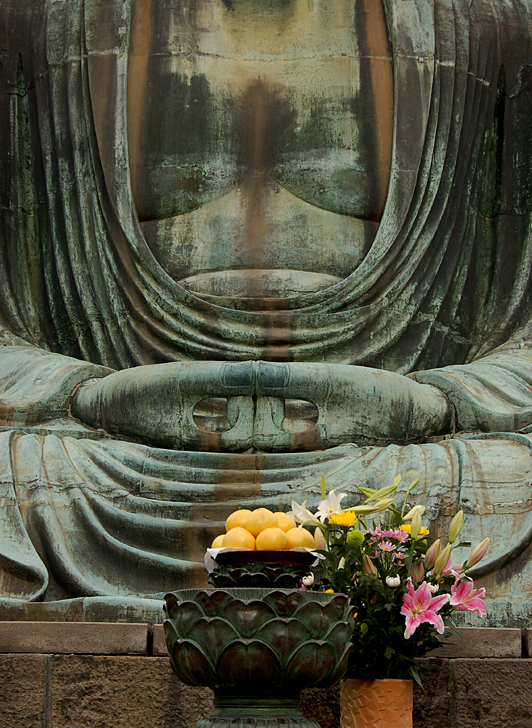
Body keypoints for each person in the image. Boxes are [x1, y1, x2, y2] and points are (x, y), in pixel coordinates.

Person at [1, 0, 532, 615]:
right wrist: (85, 395)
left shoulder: (488, 29)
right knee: (15, 480)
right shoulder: (43, 26)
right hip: (117, 460)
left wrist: (435, 402)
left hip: (389, 454)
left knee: (511, 484)